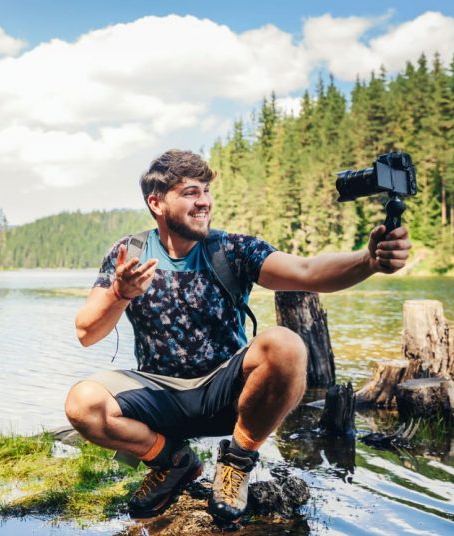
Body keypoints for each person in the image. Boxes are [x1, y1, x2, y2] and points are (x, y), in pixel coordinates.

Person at [65, 149, 411, 522]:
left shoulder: (232, 249)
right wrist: (120, 294)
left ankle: (237, 460)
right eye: (190, 193)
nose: (204, 202)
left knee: (286, 345)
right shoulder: (128, 253)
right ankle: (173, 462)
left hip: (225, 394)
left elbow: (308, 271)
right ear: (157, 203)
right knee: (82, 404)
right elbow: (87, 332)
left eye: (206, 191)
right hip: (159, 394)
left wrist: (368, 260)